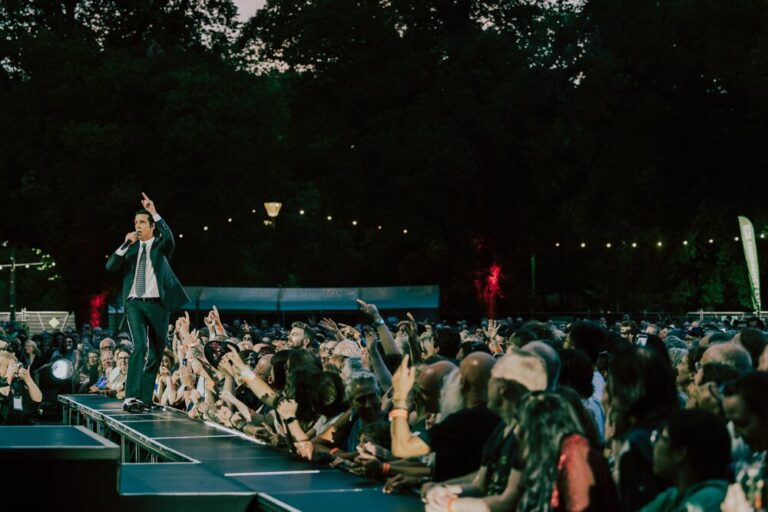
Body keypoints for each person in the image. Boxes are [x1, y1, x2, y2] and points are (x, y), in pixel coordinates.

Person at [106, 192, 189, 412]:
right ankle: (131, 397)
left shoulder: (161, 245)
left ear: (152, 226)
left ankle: (145, 399)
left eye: (142, 222)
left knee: (156, 353)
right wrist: (125, 244)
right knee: (140, 345)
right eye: (135, 222)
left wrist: (154, 212)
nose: (138, 226)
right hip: (135, 303)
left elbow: (170, 238)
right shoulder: (130, 248)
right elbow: (110, 266)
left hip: (158, 305)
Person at [642, 409, 731, 512]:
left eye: (663, 439)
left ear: (680, 454)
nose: (655, 446)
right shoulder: (673, 495)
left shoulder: (709, 501)